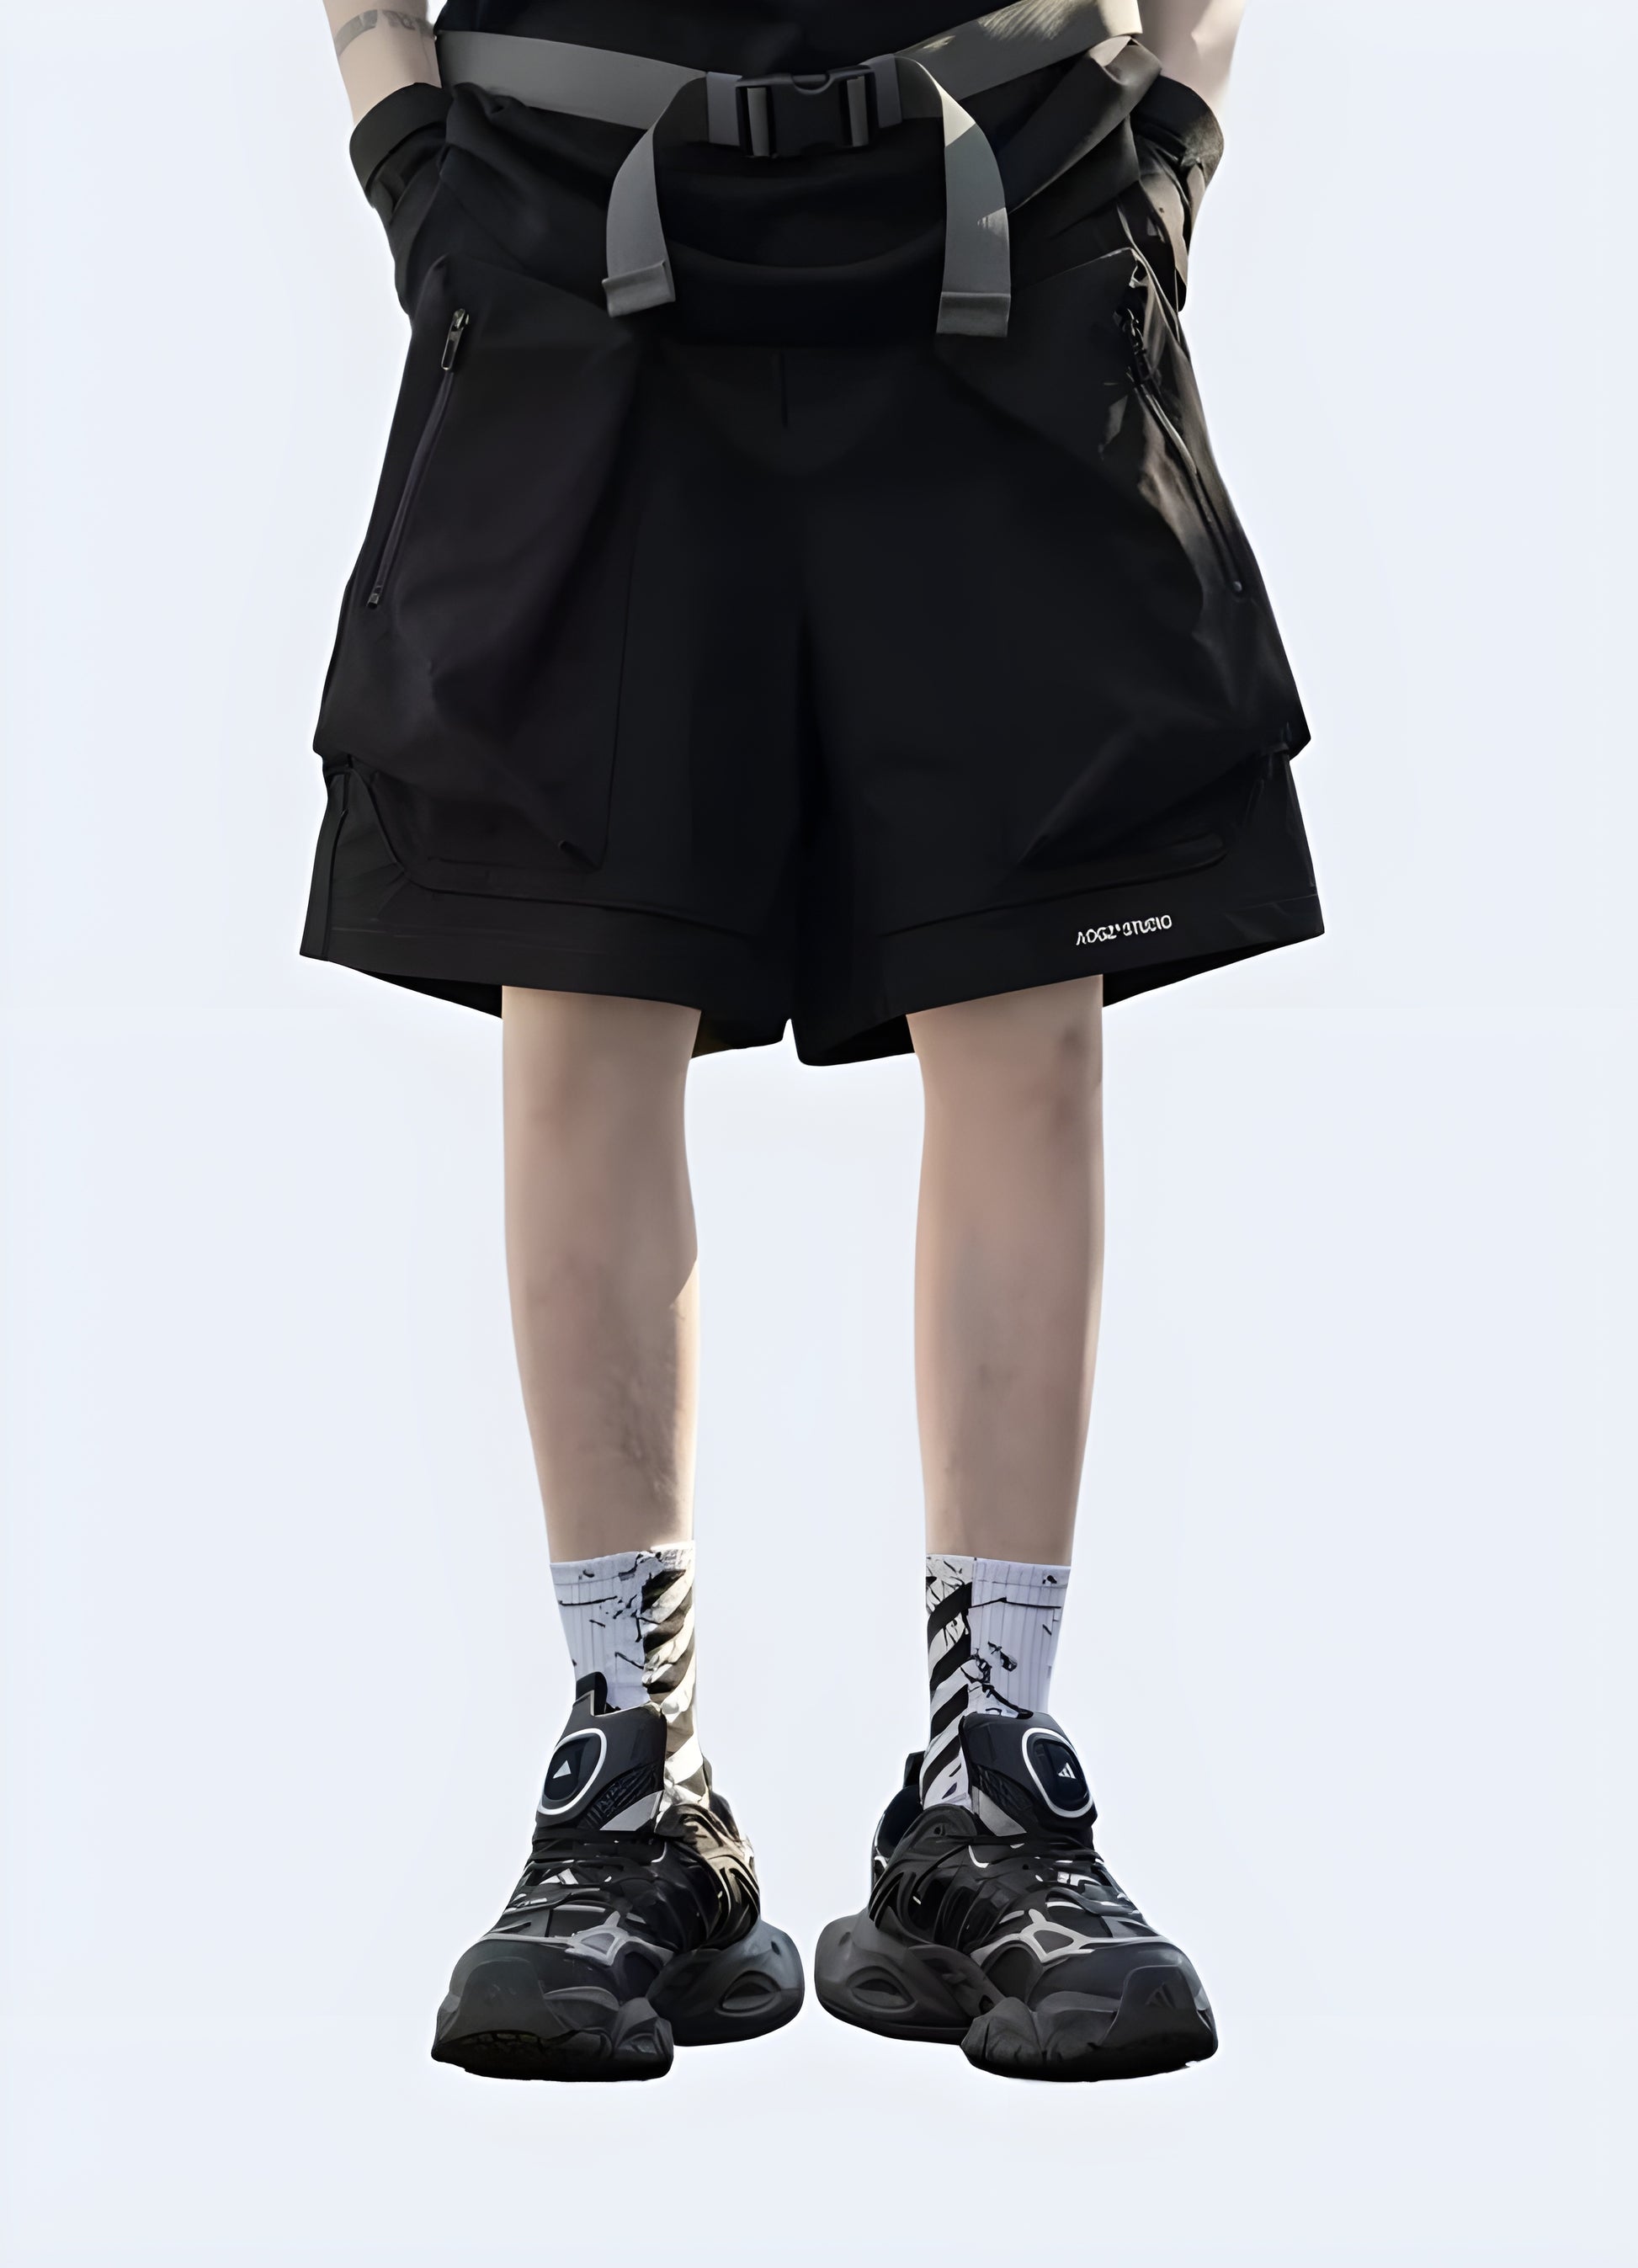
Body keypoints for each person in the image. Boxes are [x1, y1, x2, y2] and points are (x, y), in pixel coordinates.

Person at [310, 0, 1319, 2084]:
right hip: (565, 218)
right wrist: (402, 143)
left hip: (1003, 210)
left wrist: (1170, 145)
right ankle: (633, 1792)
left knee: (1024, 1015)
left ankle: (989, 1791)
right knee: (582, 998)